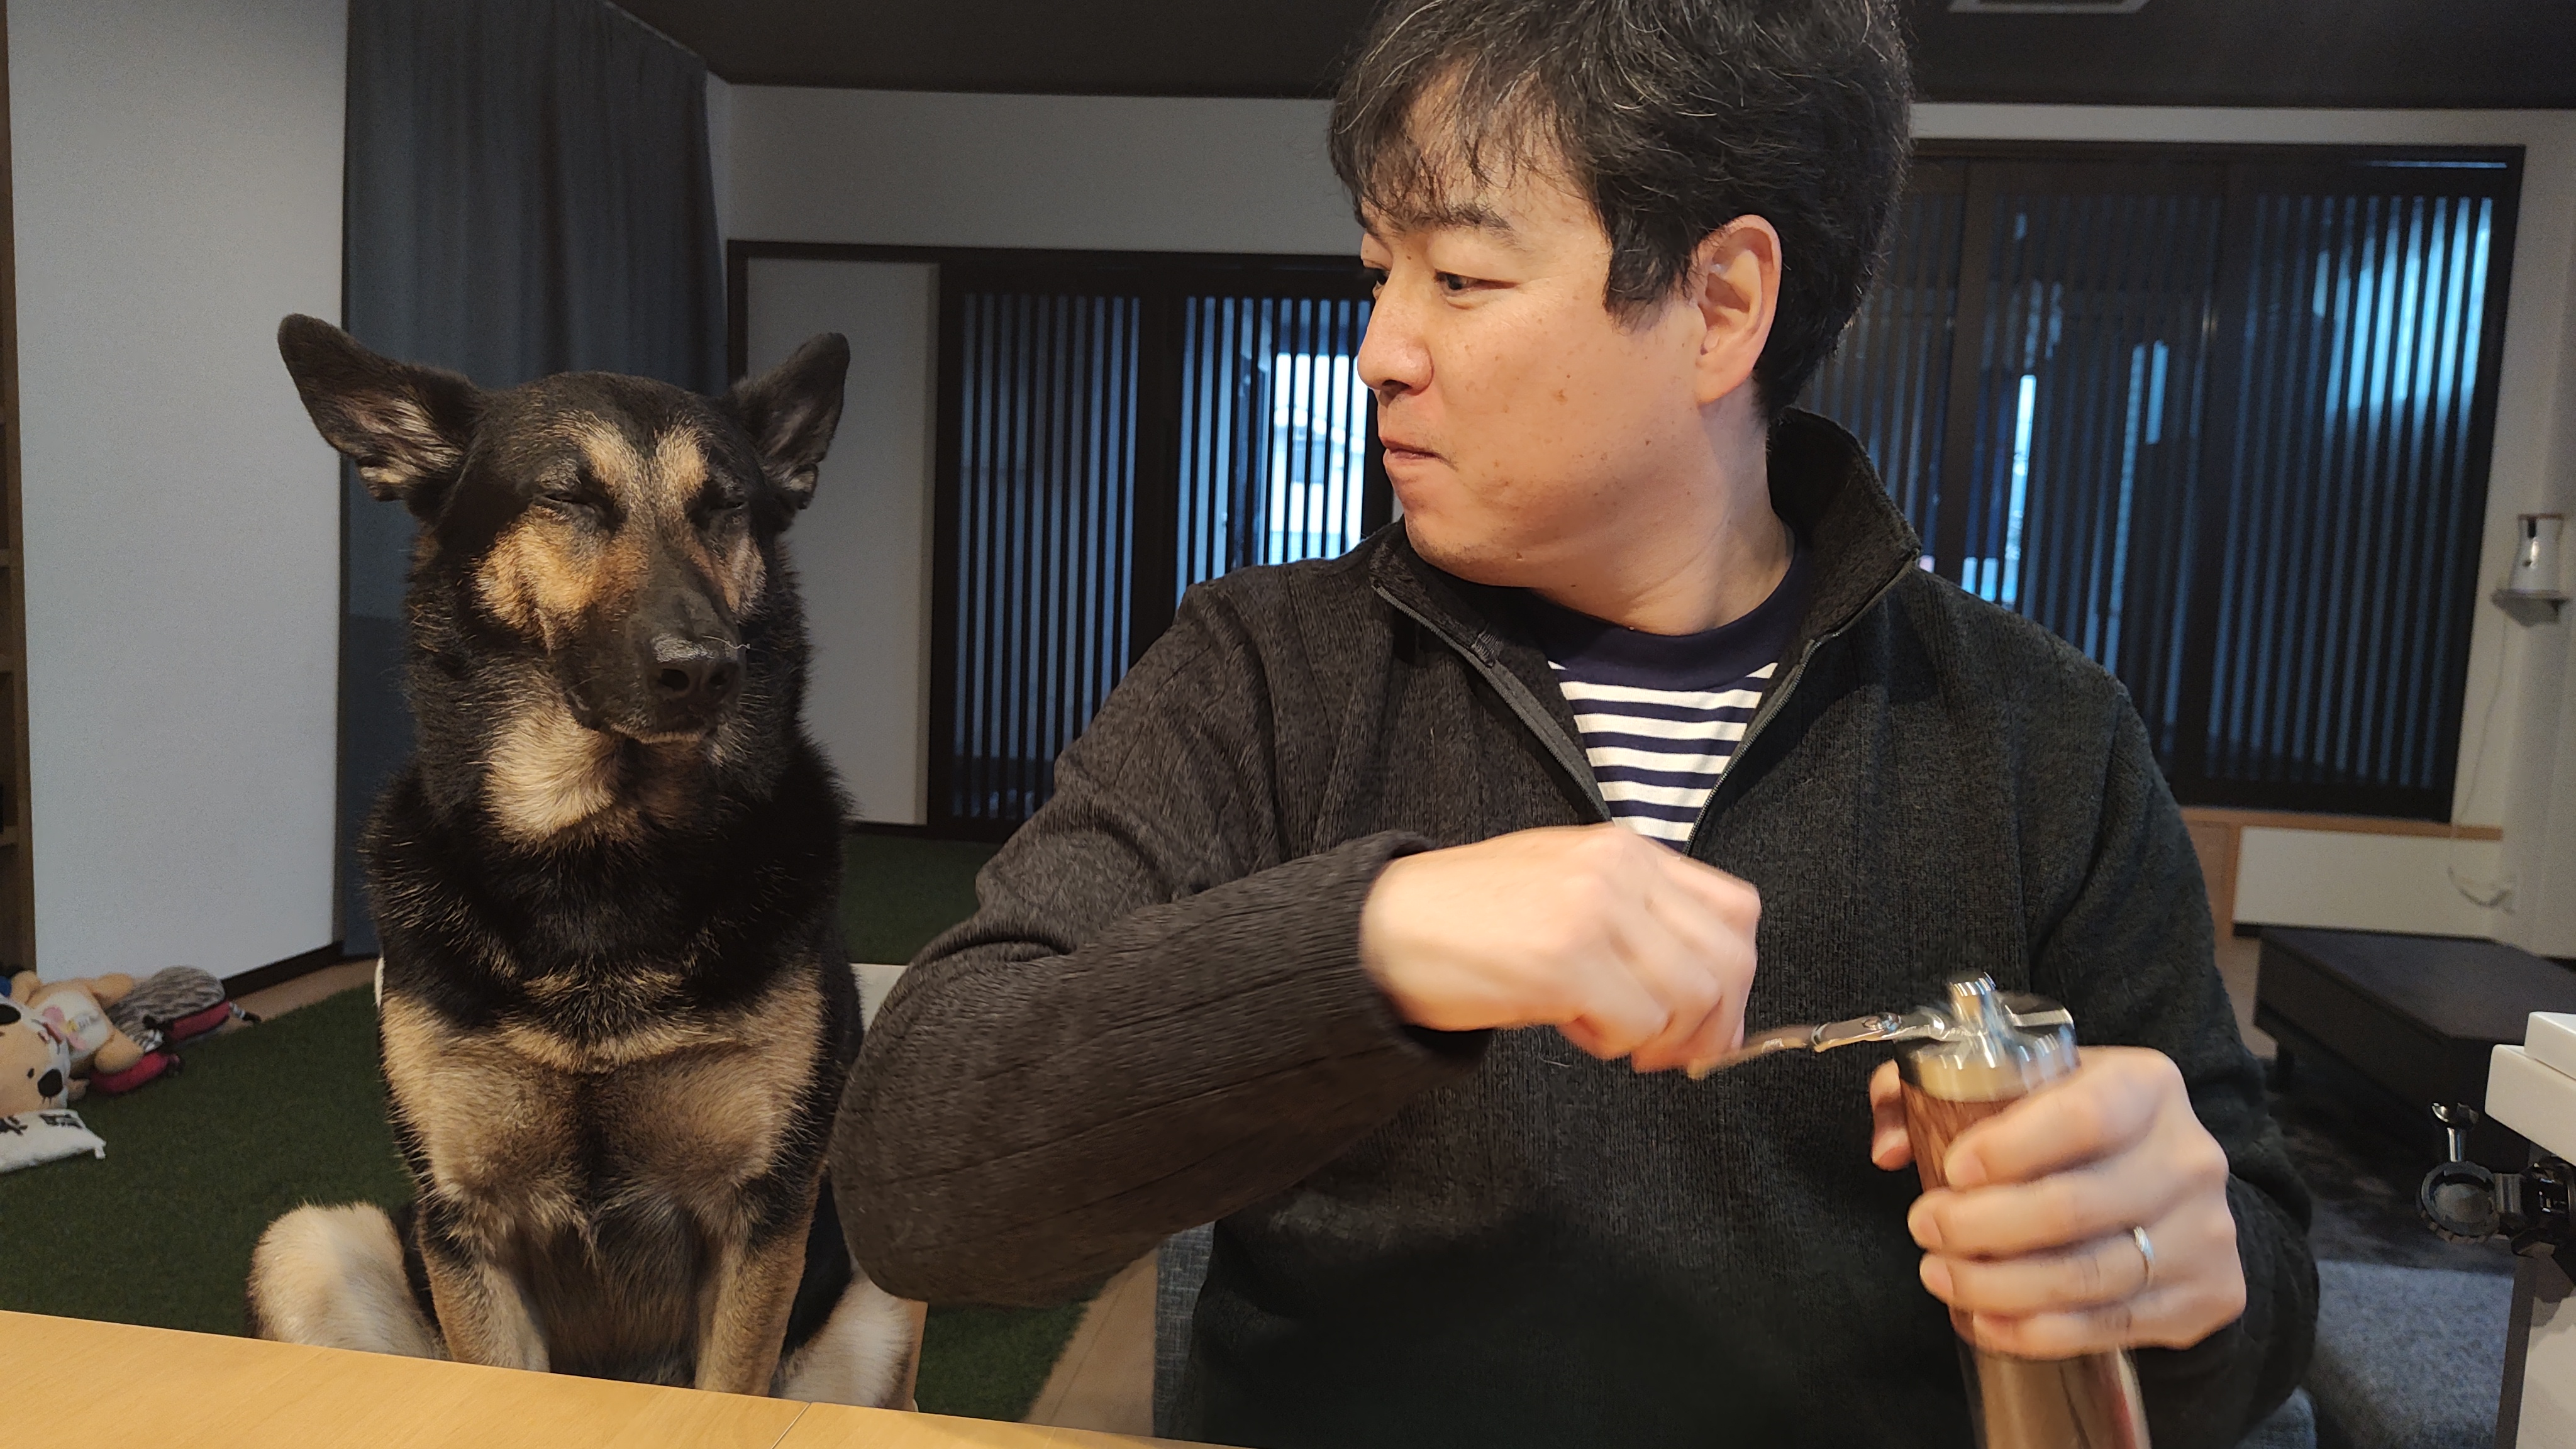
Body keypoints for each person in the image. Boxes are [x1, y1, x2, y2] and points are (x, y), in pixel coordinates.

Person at [828, 1, 2316, 1444]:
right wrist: (1376, 941)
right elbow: (916, 1183)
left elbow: (2246, 1317)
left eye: (1460, 279)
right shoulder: (1265, 674)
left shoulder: (2033, 737)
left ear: (1718, 306)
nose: (1377, 350)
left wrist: (2175, 1273)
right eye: (1378, 272)